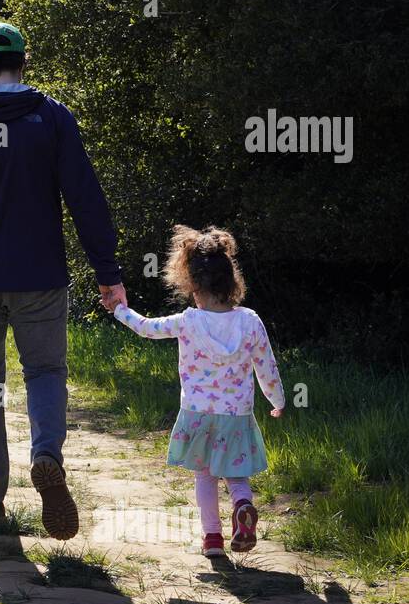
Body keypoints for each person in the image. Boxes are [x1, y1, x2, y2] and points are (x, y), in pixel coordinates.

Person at [0, 22, 125, 538]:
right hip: (41, 276)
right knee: (46, 372)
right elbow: (86, 199)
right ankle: (46, 454)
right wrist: (108, 273)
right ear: (23, 62)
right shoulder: (49, 117)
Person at [109, 225, 285, 558]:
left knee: (205, 476)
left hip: (198, 415)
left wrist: (119, 309)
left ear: (193, 286)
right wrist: (277, 401)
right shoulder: (250, 321)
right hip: (236, 416)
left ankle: (213, 540)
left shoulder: (188, 321)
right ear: (232, 283)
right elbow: (267, 367)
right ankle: (243, 506)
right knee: (236, 473)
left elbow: (147, 328)